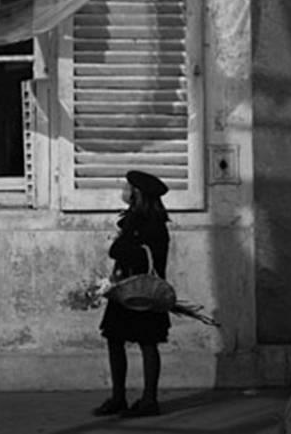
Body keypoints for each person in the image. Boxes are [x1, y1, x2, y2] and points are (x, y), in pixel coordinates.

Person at [93, 170, 171, 418]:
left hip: (143, 292)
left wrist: (120, 247)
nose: (124, 191)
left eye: (128, 187)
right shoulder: (135, 220)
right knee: (115, 339)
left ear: (137, 193)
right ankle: (119, 397)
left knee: (148, 343)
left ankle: (149, 400)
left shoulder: (151, 224)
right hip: (126, 290)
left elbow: (123, 252)